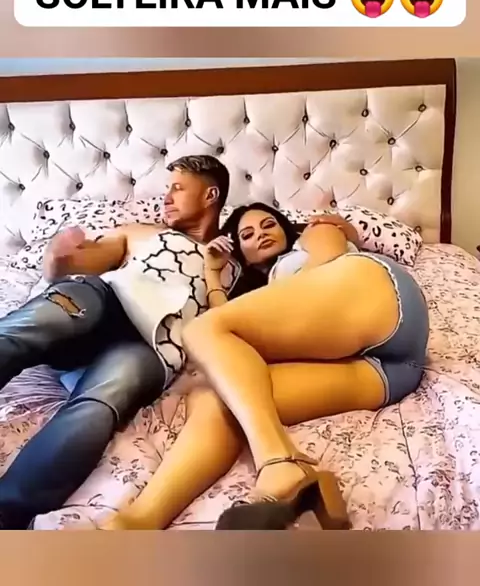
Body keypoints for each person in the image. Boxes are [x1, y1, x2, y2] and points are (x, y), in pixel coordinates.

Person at [102, 203, 429, 532]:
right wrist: (212, 273)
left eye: (268, 225)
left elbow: (328, 259)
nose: (260, 234)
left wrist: (332, 233)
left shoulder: (310, 236)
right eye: (247, 234)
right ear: (240, 253)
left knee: (199, 330)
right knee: (223, 395)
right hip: (392, 371)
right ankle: (141, 520)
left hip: (379, 293)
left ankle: (279, 464)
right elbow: (230, 342)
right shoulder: (265, 288)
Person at [0, 154, 234, 530]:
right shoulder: (139, 232)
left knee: (98, 405)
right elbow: (83, 263)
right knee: (21, 332)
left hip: (154, 345)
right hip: (104, 302)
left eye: (177, 188)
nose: (166, 198)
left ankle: (7, 513)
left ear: (210, 195)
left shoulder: (232, 264)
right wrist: (59, 260)